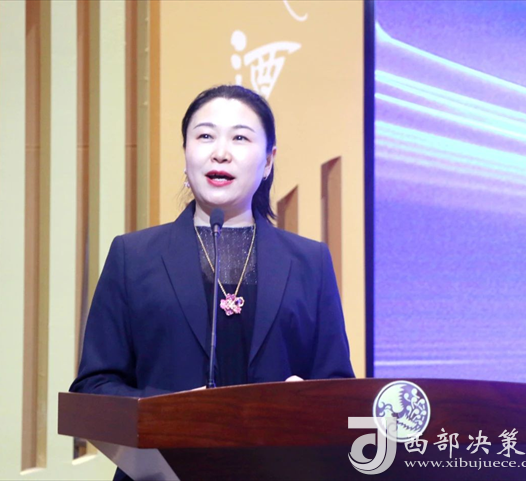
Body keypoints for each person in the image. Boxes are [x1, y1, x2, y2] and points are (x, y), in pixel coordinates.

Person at [70, 85, 354, 478]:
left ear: (268, 160)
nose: (220, 152)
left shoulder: (310, 262)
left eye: (240, 138)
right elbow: (94, 387)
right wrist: (171, 411)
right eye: (205, 136)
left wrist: (306, 401)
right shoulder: (132, 257)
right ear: (185, 152)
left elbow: (339, 390)